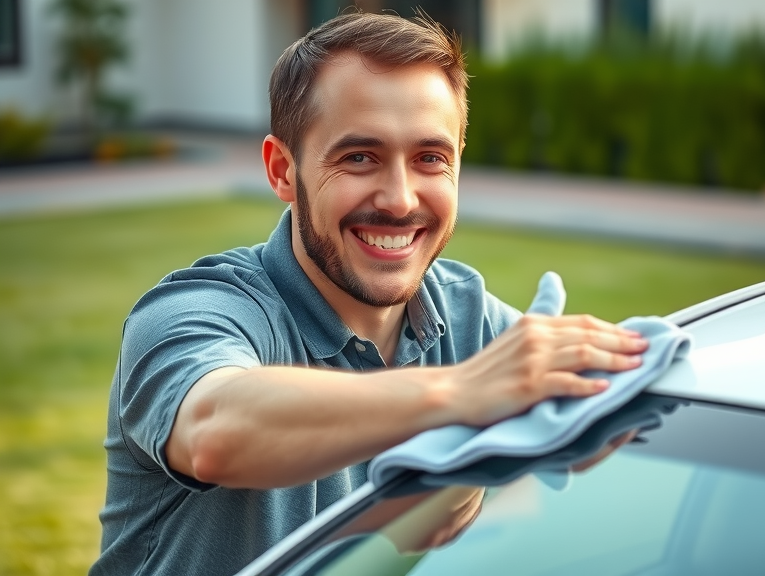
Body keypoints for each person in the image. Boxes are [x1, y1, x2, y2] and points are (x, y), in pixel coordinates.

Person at [89, 11, 648, 576]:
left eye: (431, 158)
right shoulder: (194, 313)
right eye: (360, 157)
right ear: (283, 170)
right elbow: (215, 431)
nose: (401, 199)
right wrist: (465, 393)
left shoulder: (470, 317)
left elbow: (463, 516)